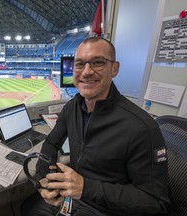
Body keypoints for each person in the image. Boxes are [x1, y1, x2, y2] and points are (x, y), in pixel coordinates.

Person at [21, 37, 170, 216]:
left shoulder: (142, 128)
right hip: (73, 200)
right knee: (27, 207)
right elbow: (51, 144)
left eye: (98, 62)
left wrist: (86, 188)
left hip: (107, 209)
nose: (86, 72)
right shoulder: (72, 107)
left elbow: (155, 202)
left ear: (114, 69)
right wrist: (43, 180)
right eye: (79, 64)